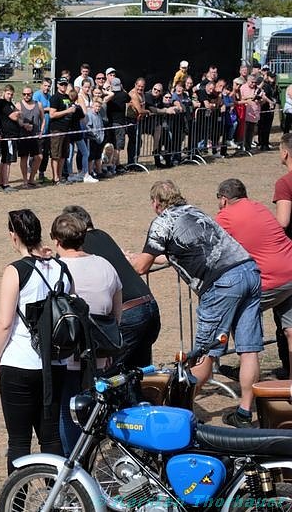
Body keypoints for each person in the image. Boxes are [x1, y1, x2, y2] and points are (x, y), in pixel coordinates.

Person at [127, 180, 263, 428]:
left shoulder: (163, 222)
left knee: (203, 354)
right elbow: (173, 254)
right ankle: (244, 412)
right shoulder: (194, 211)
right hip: (248, 270)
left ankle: (178, 414)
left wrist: (125, 261)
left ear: (155, 203)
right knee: (249, 348)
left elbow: (141, 266)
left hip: (221, 284)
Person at [0, 208, 69, 474]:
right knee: (51, 437)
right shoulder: (60, 268)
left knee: (19, 442)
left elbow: (5, 322)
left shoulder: (15, 271)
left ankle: (16, 501)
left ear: (14, 236)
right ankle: (58, 499)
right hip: (55, 363)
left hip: (20, 365)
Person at [51, 212, 122, 453]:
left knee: (68, 412)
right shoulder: (105, 264)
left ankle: (74, 462)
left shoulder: (55, 269)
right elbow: (116, 309)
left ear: (56, 241)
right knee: (92, 411)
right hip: (99, 353)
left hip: (68, 355)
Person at [215, 179, 292, 387]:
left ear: (223, 199)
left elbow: (209, 248)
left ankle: (247, 370)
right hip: (290, 270)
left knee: (240, 315)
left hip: (269, 279)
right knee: (291, 330)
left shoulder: (226, 216)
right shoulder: (259, 207)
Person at [63, 205, 160, 367]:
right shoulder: (103, 236)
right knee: (137, 374)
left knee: (109, 377)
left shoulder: (78, 249)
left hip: (128, 314)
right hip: (149, 306)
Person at [48, 77, 75, 184]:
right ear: (58, 85)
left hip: (66, 129)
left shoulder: (67, 97)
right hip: (57, 130)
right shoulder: (55, 98)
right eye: (61, 84)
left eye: (65, 84)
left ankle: (60, 176)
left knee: (64, 155)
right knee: (56, 155)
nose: (63, 86)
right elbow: (52, 114)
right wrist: (67, 111)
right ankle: (55, 178)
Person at [17, 86, 43, 188]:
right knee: (24, 158)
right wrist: (23, 125)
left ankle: (32, 178)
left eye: (28, 94)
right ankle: (24, 180)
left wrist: (41, 130)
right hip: (23, 135)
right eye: (24, 94)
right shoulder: (19, 105)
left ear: (32, 94)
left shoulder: (38, 104)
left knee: (38, 157)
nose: (26, 96)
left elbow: (43, 119)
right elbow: (17, 119)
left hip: (35, 135)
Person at [0, 84, 20, 192]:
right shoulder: (2, 103)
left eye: (11, 94)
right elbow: (14, 116)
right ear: (3, 93)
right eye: (8, 93)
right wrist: (18, 111)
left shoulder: (10, 103)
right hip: (7, 135)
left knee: (7, 160)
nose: (9, 96)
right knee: (7, 160)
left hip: (12, 135)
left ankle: (4, 182)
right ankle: (5, 183)